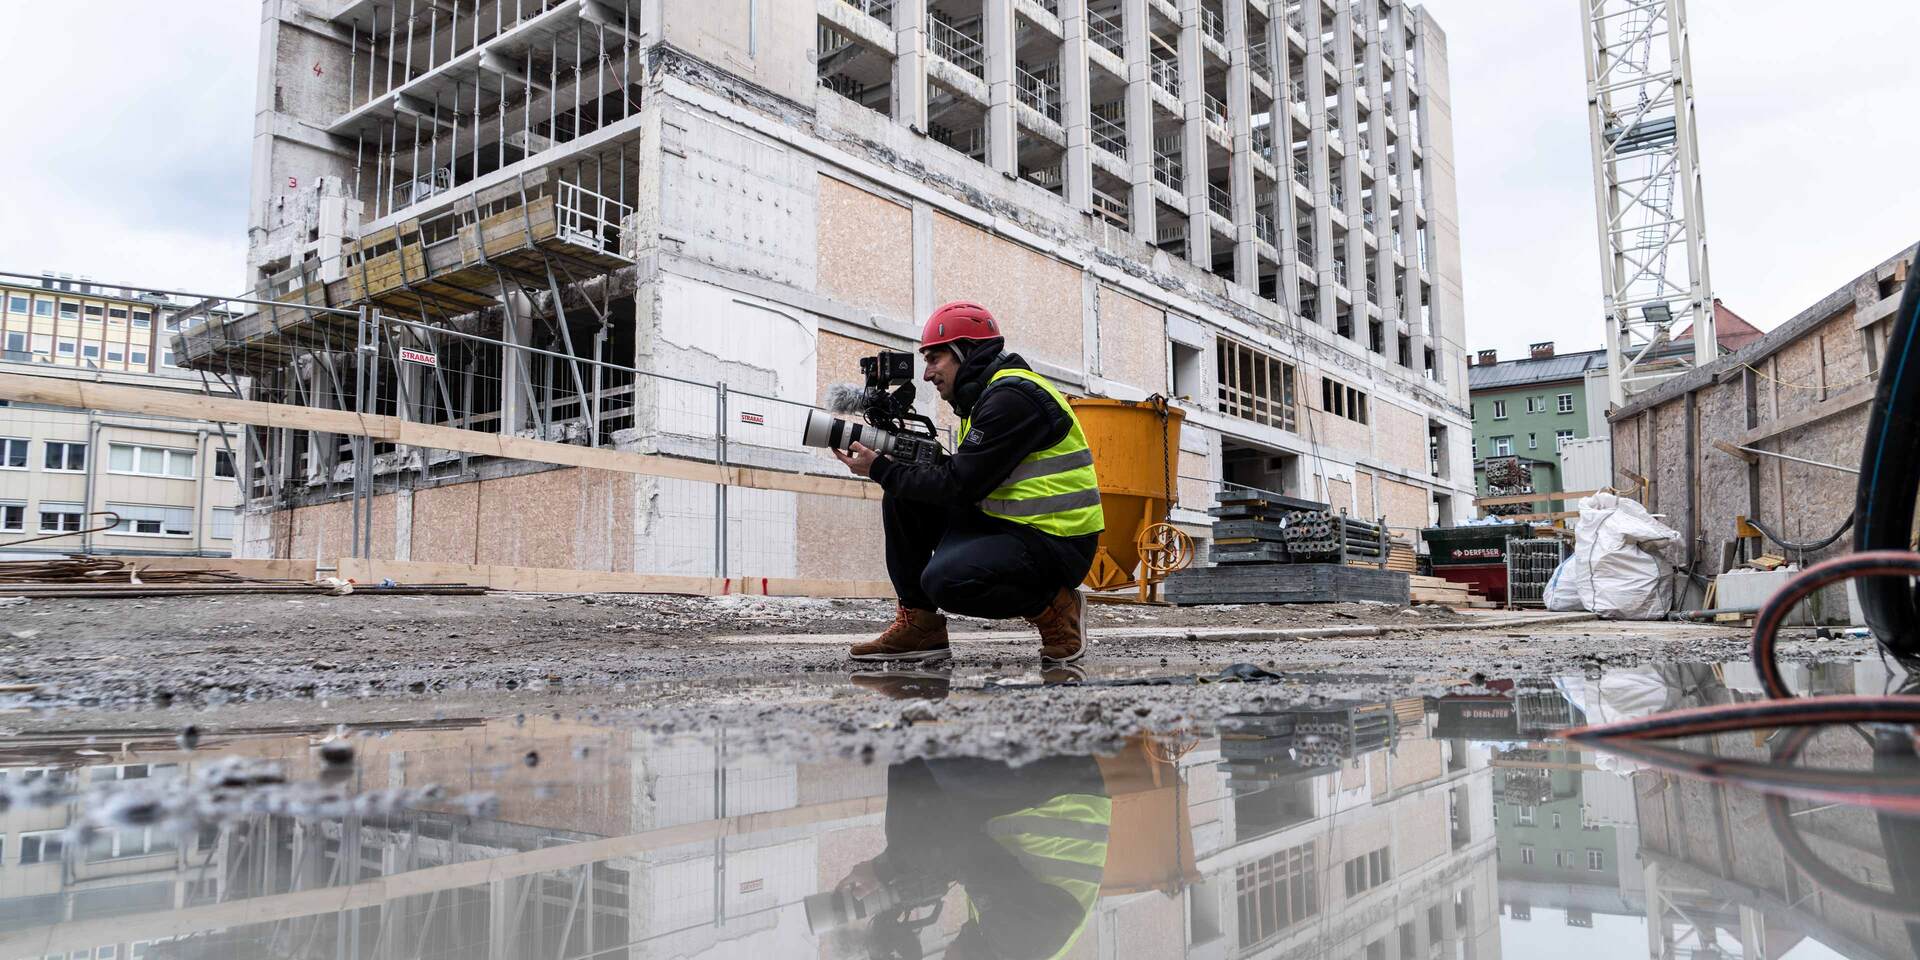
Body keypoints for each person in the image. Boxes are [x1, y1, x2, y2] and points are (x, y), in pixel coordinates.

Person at [832, 301, 1103, 665]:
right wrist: (902, 462)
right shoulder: (981, 401)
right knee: (903, 494)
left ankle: (1056, 608)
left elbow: (961, 486)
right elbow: (968, 475)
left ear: (966, 354)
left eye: (934, 359)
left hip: (1054, 542)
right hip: (1008, 527)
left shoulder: (1013, 398)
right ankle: (921, 624)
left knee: (946, 580)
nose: (927, 374)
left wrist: (880, 468)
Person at [808, 755, 1111, 960]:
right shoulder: (1021, 945)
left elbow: (975, 859)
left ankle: (913, 706)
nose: (945, 952)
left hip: (1034, 792)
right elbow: (965, 850)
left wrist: (907, 875)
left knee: (913, 834)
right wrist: (883, 869)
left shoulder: (1008, 943)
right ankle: (916, 694)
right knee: (913, 838)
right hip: (1050, 784)